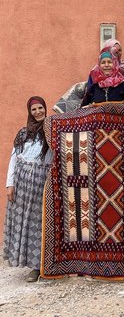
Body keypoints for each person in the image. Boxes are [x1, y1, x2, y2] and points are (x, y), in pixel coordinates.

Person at [4, 96, 53, 282]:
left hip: (41, 184)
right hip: (22, 184)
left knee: (37, 224)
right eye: (34, 109)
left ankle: (37, 266)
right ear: (29, 112)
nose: (38, 112)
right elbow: (14, 159)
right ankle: (25, 262)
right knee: (22, 223)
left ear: (46, 109)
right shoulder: (23, 133)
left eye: (41, 108)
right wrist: (10, 184)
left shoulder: (51, 132)